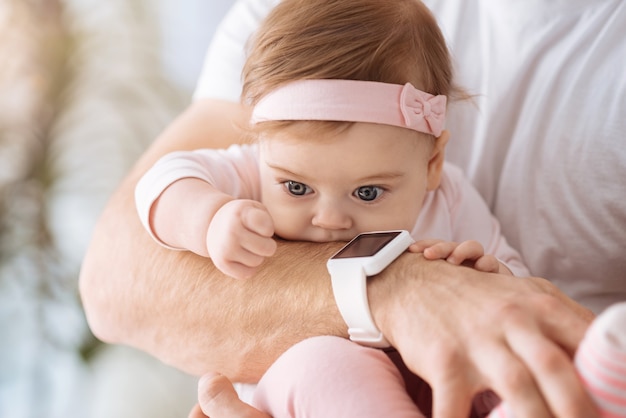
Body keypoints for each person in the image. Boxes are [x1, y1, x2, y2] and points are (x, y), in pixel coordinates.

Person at [78, 0, 626, 416]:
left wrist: (489, 272)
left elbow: (508, 281)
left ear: (433, 162)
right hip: (311, 373)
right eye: (296, 189)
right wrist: (206, 217)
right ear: (262, 148)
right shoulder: (255, 162)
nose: (330, 218)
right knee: (330, 365)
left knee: (503, 366)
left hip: (435, 377)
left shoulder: (451, 194)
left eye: (367, 194)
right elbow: (163, 184)